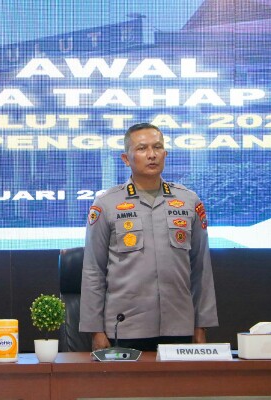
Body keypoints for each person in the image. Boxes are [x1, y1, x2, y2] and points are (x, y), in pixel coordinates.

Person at [79, 123, 218, 352]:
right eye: (142, 148)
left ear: (166, 154)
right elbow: (93, 270)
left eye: (157, 147)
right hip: (124, 328)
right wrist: (96, 330)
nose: (152, 154)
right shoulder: (107, 204)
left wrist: (201, 325)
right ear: (126, 159)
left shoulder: (188, 201)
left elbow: (201, 268)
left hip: (179, 327)